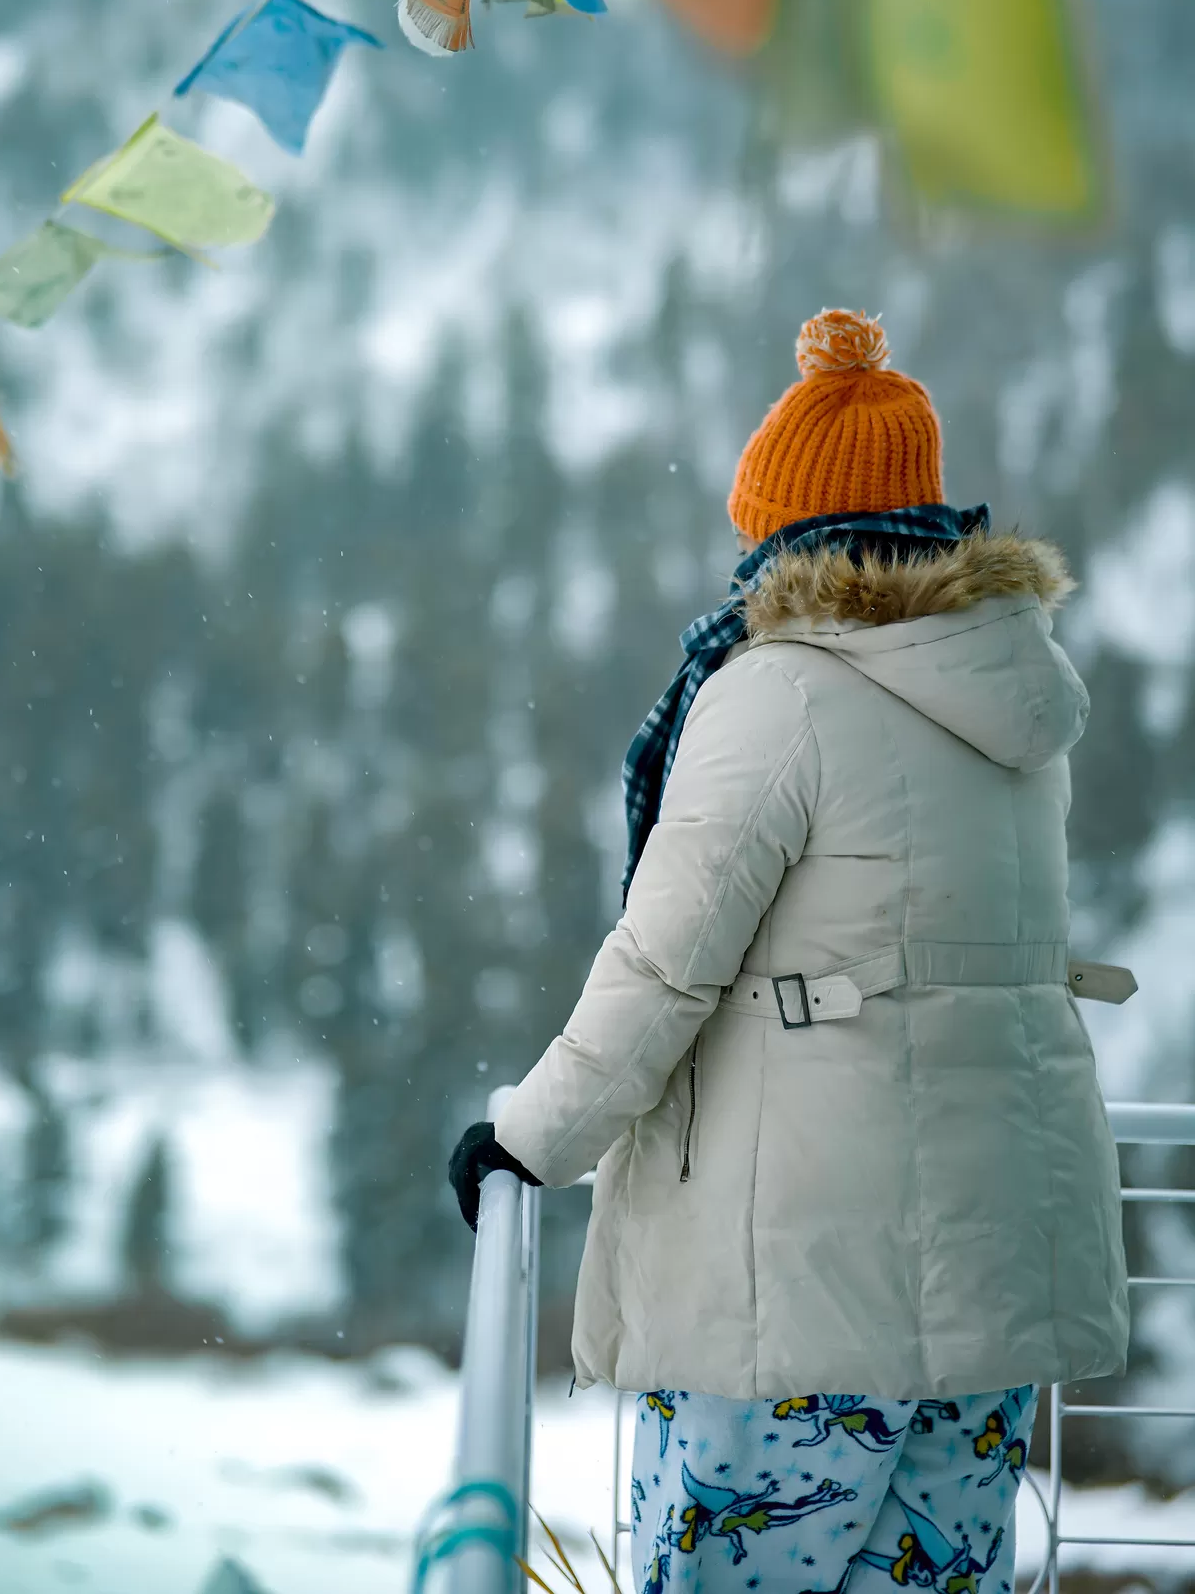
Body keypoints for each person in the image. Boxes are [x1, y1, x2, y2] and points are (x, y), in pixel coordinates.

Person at [449, 308, 1128, 1593]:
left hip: (801, 1300)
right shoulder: (1016, 691)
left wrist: (531, 1139)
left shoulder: (776, 692)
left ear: (787, 530)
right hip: (991, 1287)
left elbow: (664, 961)